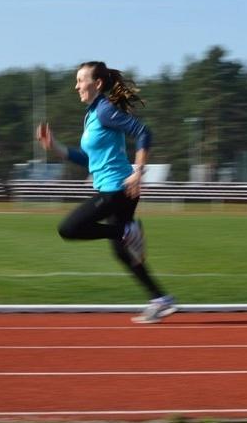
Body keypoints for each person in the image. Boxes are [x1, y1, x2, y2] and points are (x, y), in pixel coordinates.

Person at [36, 61, 177, 324]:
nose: (76, 86)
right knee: (123, 252)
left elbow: (143, 132)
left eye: (81, 80)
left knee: (70, 228)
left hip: (118, 189)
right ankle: (160, 299)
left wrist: (139, 171)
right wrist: (55, 146)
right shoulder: (92, 115)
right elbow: (90, 161)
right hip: (116, 188)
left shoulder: (104, 111)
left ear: (97, 83)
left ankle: (127, 232)